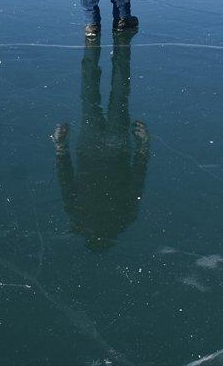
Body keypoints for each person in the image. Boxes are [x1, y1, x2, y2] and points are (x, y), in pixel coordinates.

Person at [51, 34, 150, 251]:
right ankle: (115, 47)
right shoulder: (121, 216)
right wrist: (142, 147)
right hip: (111, 147)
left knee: (100, 93)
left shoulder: (82, 215)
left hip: (94, 146)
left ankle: (96, 47)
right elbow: (136, 180)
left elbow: (66, 180)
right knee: (111, 93)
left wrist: (61, 147)